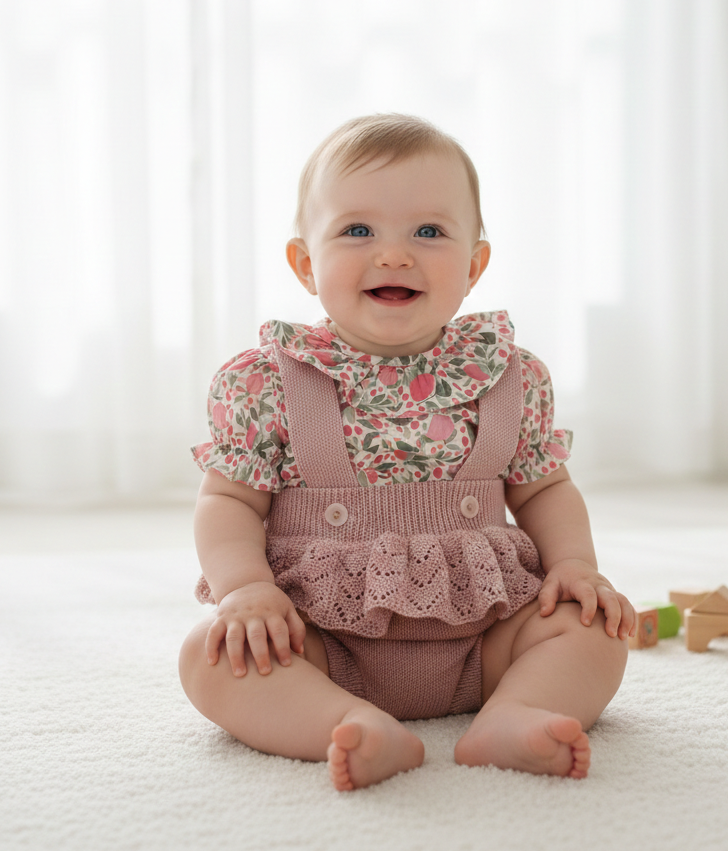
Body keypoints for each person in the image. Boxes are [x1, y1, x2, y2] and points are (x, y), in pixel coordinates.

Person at [179, 114, 634, 792]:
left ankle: (515, 711)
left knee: (596, 630)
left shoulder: (511, 375)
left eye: (428, 231)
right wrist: (246, 588)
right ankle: (344, 720)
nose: (393, 255)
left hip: (485, 637)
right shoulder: (264, 380)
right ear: (305, 263)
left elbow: (542, 489)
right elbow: (228, 499)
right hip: (322, 637)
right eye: (357, 231)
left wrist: (575, 566)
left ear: (474, 265)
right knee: (209, 656)